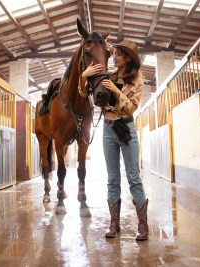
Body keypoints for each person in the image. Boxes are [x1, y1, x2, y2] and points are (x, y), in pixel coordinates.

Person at [79, 39, 148, 241]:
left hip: (126, 127)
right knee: (112, 178)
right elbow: (84, 93)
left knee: (134, 177)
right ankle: (114, 222)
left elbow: (131, 108)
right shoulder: (106, 76)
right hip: (108, 129)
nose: (114, 57)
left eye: (118, 54)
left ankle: (143, 223)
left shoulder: (138, 80)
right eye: (114, 53)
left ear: (127, 58)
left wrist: (116, 92)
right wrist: (84, 76)